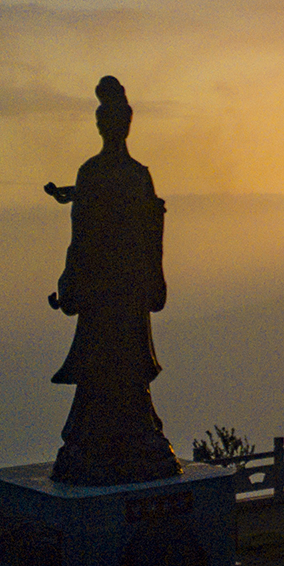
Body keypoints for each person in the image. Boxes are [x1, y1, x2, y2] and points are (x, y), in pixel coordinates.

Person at [44, 76, 183, 486]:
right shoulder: (136, 175)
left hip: (111, 288)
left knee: (108, 363)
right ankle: (131, 435)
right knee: (121, 365)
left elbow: (82, 236)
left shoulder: (94, 173)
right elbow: (143, 227)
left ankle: (101, 438)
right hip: (123, 288)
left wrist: (70, 284)